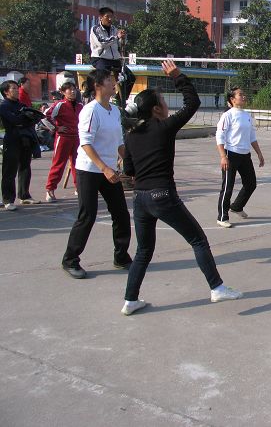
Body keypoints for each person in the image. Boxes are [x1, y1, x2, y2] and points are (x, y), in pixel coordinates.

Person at [120, 60, 242, 316]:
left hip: (140, 199)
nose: (167, 105)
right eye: (163, 101)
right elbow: (192, 102)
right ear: (156, 109)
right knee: (198, 240)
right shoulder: (164, 127)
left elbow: (129, 170)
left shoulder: (131, 135)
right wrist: (177, 76)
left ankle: (130, 300)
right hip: (162, 195)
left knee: (143, 250)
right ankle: (217, 288)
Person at [61, 69, 132, 279]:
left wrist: (132, 164)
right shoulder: (90, 110)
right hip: (89, 170)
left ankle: (121, 256)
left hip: (109, 170)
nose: (114, 82)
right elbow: (86, 143)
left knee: (121, 214)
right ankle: (70, 260)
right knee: (87, 215)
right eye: (109, 80)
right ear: (98, 85)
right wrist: (104, 168)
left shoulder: (114, 110)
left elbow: (119, 142)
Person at [215, 87, 265, 227]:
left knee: (251, 184)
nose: (243, 96)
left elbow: (252, 136)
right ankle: (222, 217)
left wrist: (259, 153)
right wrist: (223, 156)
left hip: (245, 155)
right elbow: (220, 136)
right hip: (230, 154)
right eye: (240, 94)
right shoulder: (228, 115)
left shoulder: (247, 115)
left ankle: (237, 206)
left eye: (243, 94)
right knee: (228, 186)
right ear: (232, 99)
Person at [0, 80, 41, 209]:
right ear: (6, 92)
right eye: (13, 88)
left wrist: (26, 118)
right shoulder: (3, 106)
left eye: (17, 88)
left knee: (25, 167)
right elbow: (14, 120)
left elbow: (33, 119)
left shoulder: (21, 105)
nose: (17, 90)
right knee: (9, 170)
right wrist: (24, 118)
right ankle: (8, 200)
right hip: (12, 139)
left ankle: (24, 196)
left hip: (25, 138)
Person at [44, 81, 82, 202]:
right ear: (63, 92)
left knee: (78, 164)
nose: (73, 91)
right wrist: (56, 128)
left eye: (74, 89)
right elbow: (44, 117)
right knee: (59, 164)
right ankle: (50, 189)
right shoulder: (59, 105)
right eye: (69, 89)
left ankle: (79, 187)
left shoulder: (80, 106)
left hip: (77, 138)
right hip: (63, 137)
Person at [90, 7, 125, 73]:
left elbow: (119, 44)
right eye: (107, 16)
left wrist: (122, 38)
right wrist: (117, 37)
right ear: (101, 17)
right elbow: (102, 43)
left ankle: (120, 80)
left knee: (128, 75)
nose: (110, 19)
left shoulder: (114, 29)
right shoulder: (96, 29)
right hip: (100, 58)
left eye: (111, 17)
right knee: (103, 75)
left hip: (114, 59)